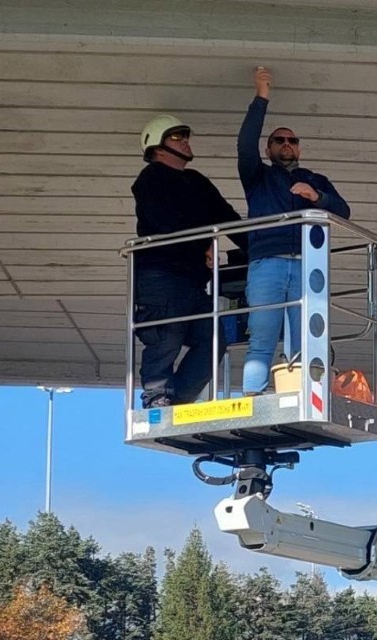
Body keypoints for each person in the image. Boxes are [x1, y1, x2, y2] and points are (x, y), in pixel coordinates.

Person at [237, 66, 351, 395]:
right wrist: (261, 97)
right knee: (262, 336)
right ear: (269, 148)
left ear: (299, 149)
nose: (286, 144)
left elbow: (343, 211)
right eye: (279, 140)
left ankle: (301, 397)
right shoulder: (258, 176)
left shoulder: (316, 179)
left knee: (306, 340)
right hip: (267, 262)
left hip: (307, 264)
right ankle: (253, 399)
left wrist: (318, 197)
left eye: (292, 140)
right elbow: (245, 146)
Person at [131, 114, 246, 408]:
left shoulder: (196, 181)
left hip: (192, 281)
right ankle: (158, 400)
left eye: (185, 136)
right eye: (177, 136)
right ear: (157, 146)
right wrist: (208, 238)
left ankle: (178, 401)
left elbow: (227, 219)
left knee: (214, 337)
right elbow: (167, 222)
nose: (185, 141)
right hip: (160, 276)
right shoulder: (151, 179)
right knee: (165, 337)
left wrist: (260, 248)